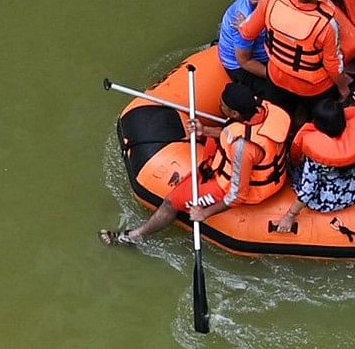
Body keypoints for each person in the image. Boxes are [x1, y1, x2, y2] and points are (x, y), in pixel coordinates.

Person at [108, 88, 296, 247]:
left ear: (234, 114)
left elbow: (237, 194)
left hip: (236, 187)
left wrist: (204, 213)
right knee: (211, 149)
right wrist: (204, 131)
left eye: (223, 106)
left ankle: (136, 235)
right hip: (246, 168)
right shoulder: (263, 111)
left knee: (170, 202)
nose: (219, 106)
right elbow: (231, 132)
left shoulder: (243, 148)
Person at [256, 0, 350, 110]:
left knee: (278, 118)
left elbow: (247, 31)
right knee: (323, 118)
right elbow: (332, 65)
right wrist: (344, 89)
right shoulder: (326, 23)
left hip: (277, 78)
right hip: (314, 88)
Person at [292, 95, 355, 215]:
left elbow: (307, 192)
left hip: (328, 202)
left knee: (294, 170)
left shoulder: (315, 156)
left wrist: (290, 215)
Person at [215, 0, 281, 75]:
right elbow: (244, 61)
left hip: (263, 51)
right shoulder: (242, 18)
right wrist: (274, 79)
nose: (261, 5)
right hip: (239, 65)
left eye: (265, 0)